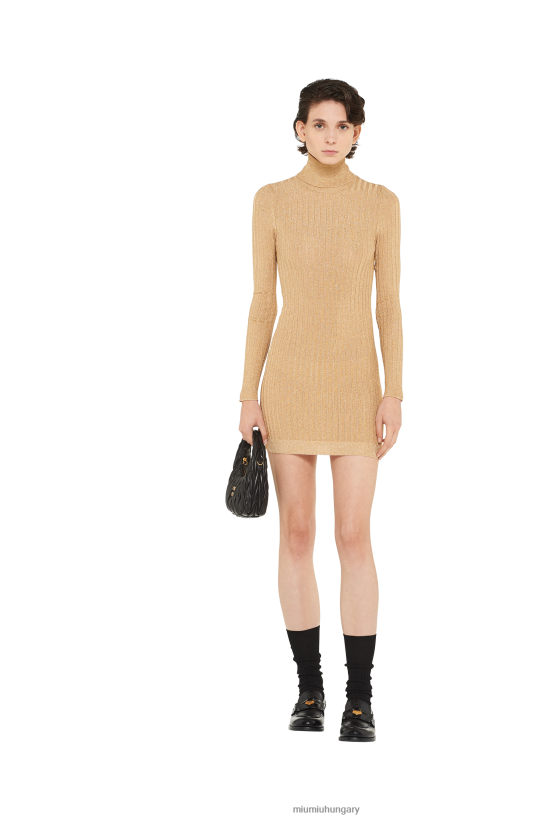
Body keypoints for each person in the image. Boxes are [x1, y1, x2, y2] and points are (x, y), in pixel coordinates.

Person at [237, 78, 403, 743]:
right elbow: (261, 303)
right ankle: (309, 690)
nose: (330, 135)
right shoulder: (272, 199)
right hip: (288, 386)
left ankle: (359, 700)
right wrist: (248, 395)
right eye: (319, 124)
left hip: (357, 386)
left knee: (354, 538)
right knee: (297, 536)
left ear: (357, 134)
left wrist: (394, 391)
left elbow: (389, 305)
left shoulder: (380, 202)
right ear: (299, 130)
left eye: (343, 125)